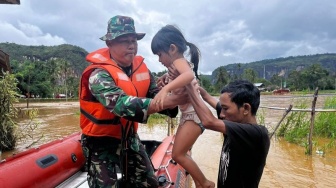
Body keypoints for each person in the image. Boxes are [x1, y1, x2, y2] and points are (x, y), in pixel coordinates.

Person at [79, 15, 186, 188]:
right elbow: (121, 105)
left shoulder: (141, 68)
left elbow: (156, 94)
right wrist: (168, 101)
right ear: (110, 44)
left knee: (148, 183)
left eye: (134, 40)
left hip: (129, 138)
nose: (131, 45)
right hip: (99, 142)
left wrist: (173, 95)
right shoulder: (98, 74)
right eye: (124, 41)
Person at [151, 25, 215, 188]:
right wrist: (166, 78)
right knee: (180, 152)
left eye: (160, 54)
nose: (159, 60)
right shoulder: (177, 65)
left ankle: (205, 183)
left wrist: (166, 89)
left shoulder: (179, 61)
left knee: (178, 154)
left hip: (194, 115)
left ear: (172, 49)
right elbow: (181, 75)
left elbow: (188, 75)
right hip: (187, 115)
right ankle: (201, 183)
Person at [185, 79, 270, 188]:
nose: (221, 114)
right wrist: (192, 83)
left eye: (225, 108)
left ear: (246, 108)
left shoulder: (257, 134)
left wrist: (188, 86)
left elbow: (209, 122)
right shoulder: (233, 118)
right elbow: (207, 97)